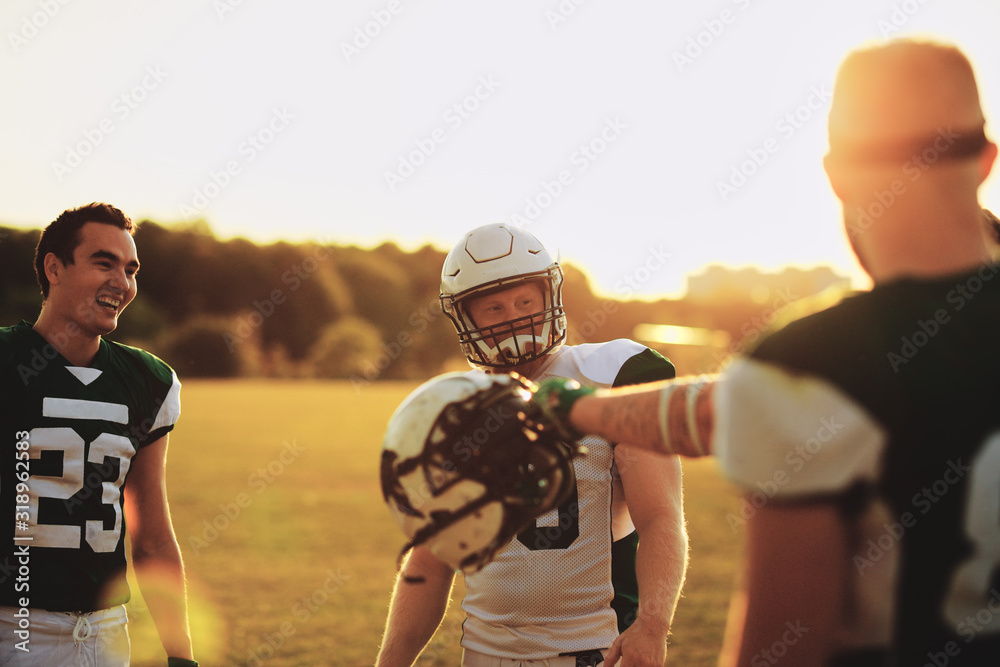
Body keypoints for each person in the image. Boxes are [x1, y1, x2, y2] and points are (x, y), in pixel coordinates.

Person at [527, 39, 1000, 666]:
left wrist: (568, 406)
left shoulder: (813, 364)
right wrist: (579, 410)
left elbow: (784, 649)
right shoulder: (815, 375)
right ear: (987, 160)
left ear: (834, 173)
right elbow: (716, 410)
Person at [376, 223, 689, 666]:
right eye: (494, 308)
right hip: (484, 653)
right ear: (465, 318)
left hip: (594, 647)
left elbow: (660, 518)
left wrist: (653, 625)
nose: (514, 317)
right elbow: (430, 560)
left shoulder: (615, 377)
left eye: (525, 301)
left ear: (550, 295)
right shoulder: (453, 408)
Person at [0, 203, 197, 666]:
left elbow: (150, 534)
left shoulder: (148, 380)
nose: (122, 282)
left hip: (107, 634)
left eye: (130, 270)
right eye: (103, 262)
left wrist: (181, 656)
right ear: (54, 268)